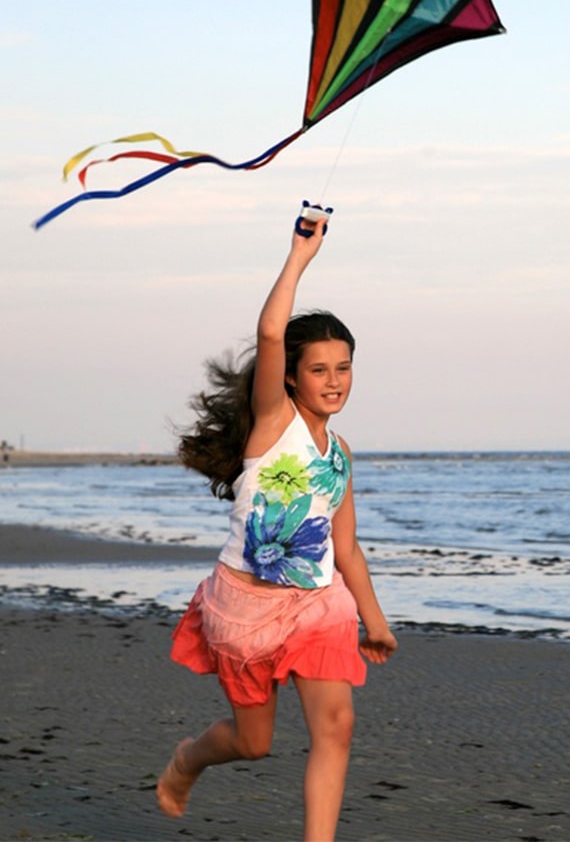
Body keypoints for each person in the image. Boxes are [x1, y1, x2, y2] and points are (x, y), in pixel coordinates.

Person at [156, 213, 397, 842]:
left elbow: (344, 546)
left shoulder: (340, 453)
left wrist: (373, 618)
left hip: (318, 605)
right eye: (320, 369)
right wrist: (299, 257)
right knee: (252, 741)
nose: (335, 381)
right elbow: (270, 330)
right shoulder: (274, 423)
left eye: (343, 368)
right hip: (245, 606)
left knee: (337, 725)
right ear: (291, 375)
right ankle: (189, 759)